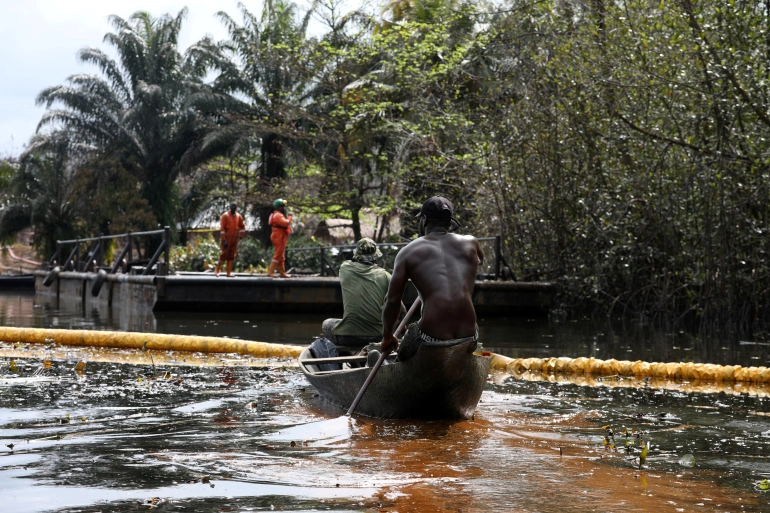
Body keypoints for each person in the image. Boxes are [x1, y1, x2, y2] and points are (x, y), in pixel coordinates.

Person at [380, 196, 484, 361]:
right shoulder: (472, 243)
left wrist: (387, 337)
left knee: (404, 351)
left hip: (432, 339)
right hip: (469, 336)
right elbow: (481, 260)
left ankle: (388, 364)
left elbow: (392, 301)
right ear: (450, 222)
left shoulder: (407, 252)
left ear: (424, 219)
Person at [321, 237, 398, 355]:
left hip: (348, 336)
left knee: (326, 323)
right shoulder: (386, 275)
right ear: (375, 257)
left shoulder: (345, 268)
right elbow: (398, 308)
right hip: (378, 336)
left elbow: (354, 264)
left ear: (357, 255)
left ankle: (344, 358)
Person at [215, 202, 246, 277]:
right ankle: (217, 270)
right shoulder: (225, 215)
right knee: (224, 254)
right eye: (232, 206)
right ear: (230, 207)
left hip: (234, 238)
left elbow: (242, 226)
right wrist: (224, 239)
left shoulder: (238, 216)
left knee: (231, 255)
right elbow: (222, 228)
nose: (233, 208)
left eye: (234, 206)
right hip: (227, 238)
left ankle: (228, 272)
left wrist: (241, 235)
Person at [267, 198, 292, 278]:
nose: (284, 208)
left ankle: (282, 272)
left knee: (281, 255)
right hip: (279, 235)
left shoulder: (276, 214)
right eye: (282, 207)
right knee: (278, 254)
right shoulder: (278, 215)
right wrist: (290, 217)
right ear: (279, 207)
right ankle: (270, 272)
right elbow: (285, 223)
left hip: (279, 235)